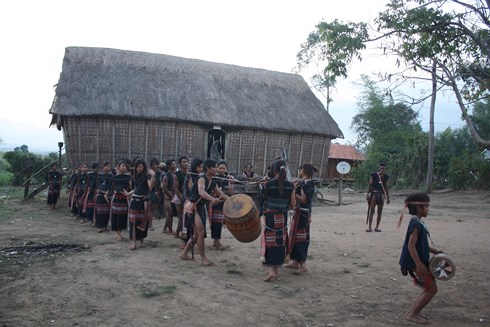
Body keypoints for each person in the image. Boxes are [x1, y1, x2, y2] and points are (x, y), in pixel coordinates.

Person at [399, 193, 441, 325]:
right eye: (427, 206)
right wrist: (419, 265)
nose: (428, 209)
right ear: (418, 207)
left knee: (429, 288)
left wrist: (435, 251)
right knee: (432, 289)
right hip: (416, 263)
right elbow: (411, 246)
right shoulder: (415, 224)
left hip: (418, 262)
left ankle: (412, 312)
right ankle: (412, 314)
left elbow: (419, 244)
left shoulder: (418, 222)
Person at [179, 158, 228, 266]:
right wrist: (212, 199)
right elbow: (201, 192)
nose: (216, 169)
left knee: (197, 235)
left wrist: (233, 200)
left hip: (199, 208)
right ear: (208, 168)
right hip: (192, 207)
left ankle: (184, 253)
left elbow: (222, 195)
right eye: (215, 167)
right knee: (200, 232)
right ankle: (203, 258)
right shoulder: (202, 178)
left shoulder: (213, 182)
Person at [260, 159, 296, 282]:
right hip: (282, 216)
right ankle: (275, 271)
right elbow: (293, 204)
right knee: (280, 242)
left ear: (273, 170)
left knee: (270, 242)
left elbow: (262, 200)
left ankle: (271, 271)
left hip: (270, 216)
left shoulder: (267, 184)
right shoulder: (290, 186)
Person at [286, 163, 318, 274]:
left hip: (303, 214)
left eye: (300, 169)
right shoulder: (306, 182)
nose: (299, 171)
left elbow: (304, 200)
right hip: (302, 213)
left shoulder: (306, 184)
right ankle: (295, 262)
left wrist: (292, 192)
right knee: (295, 237)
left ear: (303, 170)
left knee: (300, 238)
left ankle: (302, 265)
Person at [128, 158, 155, 250]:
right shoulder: (135, 176)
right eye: (137, 167)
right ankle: (133, 242)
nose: (138, 168)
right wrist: (129, 193)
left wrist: (153, 176)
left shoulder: (147, 176)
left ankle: (142, 240)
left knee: (143, 221)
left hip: (143, 201)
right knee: (133, 222)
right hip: (135, 201)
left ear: (144, 167)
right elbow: (136, 188)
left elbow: (150, 188)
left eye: (140, 166)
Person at [210, 160, 234, 250]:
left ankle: (216, 241)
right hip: (215, 202)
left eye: (224, 168)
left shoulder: (228, 178)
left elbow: (231, 192)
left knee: (220, 222)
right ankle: (216, 241)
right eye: (220, 168)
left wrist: (229, 182)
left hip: (224, 203)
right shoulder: (214, 178)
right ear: (217, 168)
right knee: (216, 222)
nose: (222, 170)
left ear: (226, 169)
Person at [110, 161, 132, 241]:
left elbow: (131, 187)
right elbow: (112, 188)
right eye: (123, 166)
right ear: (118, 167)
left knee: (123, 216)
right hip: (116, 198)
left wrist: (128, 193)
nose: (124, 167)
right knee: (115, 216)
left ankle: (120, 232)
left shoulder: (129, 177)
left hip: (124, 199)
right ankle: (117, 233)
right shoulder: (114, 177)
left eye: (125, 166)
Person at [366, 163, 390, 232]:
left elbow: (386, 187)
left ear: (385, 169)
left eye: (383, 168)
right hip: (374, 193)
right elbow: (369, 185)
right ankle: (370, 227)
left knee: (379, 212)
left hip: (381, 194)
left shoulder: (386, 177)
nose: (382, 169)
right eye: (381, 168)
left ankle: (376, 227)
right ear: (379, 168)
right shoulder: (374, 175)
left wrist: (388, 197)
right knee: (371, 211)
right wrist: (367, 194)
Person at [94, 162, 113, 233]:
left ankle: (105, 226)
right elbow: (97, 184)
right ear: (103, 167)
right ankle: (100, 227)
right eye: (105, 166)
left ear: (110, 168)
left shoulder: (111, 176)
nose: (106, 168)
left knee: (106, 212)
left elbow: (112, 186)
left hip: (107, 196)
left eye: (108, 166)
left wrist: (108, 193)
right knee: (99, 212)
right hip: (100, 195)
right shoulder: (99, 175)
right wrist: (99, 190)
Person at [174, 156, 189, 238]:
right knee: (181, 216)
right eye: (184, 162)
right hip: (179, 197)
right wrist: (181, 197)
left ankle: (179, 233)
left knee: (185, 216)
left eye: (187, 161)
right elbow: (175, 188)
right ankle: (178, 233)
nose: (186, 163)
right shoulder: (177, 175)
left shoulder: (189, 173)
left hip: (187, 197)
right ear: (180, 164)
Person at [162, 159, 178, 235]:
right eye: (173, 164)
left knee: (170, 214)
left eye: (175, 164)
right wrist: (170, 195)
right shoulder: (166, 176)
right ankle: (170, 230)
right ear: (168, 166)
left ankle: (165, 228)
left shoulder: (175, 175)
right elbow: (164, 189)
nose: (174, 165)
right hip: (167, 197)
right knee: (170, 213)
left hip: (173, 196)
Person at [84, 162, 99, 226]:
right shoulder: (89, 175)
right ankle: (91, 221)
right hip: (90, 192)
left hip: (96, 192)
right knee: (90, 207)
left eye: (97, 168)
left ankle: (96, 221)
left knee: (96, 207)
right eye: (94, 168)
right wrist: (85, 193)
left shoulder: (100, 175)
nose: (96, 169)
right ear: (92, 169)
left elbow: (98, 185)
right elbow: (87, 184)